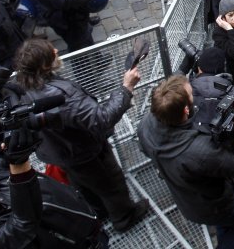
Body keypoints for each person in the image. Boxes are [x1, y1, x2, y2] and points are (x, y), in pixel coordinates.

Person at [13, 39, 149, 232]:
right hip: (85, 151)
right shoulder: (64, 96)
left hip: (61, 152)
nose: (55, 49)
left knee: (82, 183)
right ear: (43, 65)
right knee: (111, 184)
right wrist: (126, 88)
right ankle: (124, 218)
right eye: (50, 52)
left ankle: (98, 212)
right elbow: (101, 119)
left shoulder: (22, 85)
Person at [137, 75, 234, 248]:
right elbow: (233, 165)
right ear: (186, 111)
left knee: (226, 223)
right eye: (191, 94)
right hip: (215, 205)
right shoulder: (200, 152)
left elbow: (145, 149)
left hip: (187, 199)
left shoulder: (145, 125)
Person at [0, 127, 103, 248]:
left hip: (87, 219)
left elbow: (2, 159)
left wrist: (15, 128)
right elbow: (23, 222)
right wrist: (18, 161)